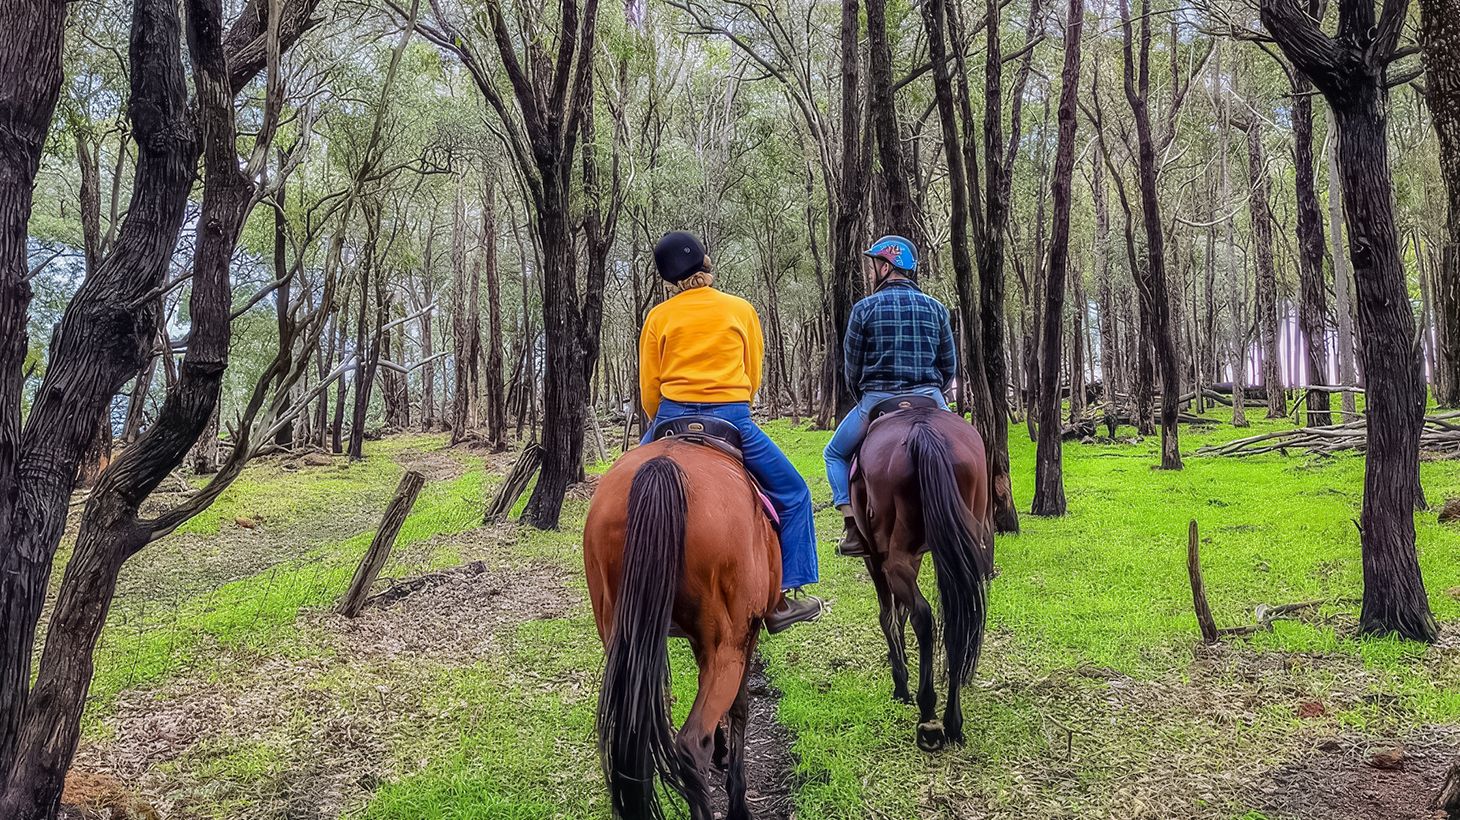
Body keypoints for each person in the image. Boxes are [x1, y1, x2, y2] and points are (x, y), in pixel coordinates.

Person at [639, 231, 824, 634]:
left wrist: (660, 421)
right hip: (731, 419)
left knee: (622, 492)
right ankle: (782, 598)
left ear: (668, 280)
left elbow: (650, 388)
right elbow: (753, 372)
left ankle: (633, 596)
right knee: (794, 494)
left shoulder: (658, 317)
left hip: (669, 417)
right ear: (706, 264)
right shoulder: (740, 309)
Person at [824, 235, 956, 557]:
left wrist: (862, 398)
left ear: (885, 267)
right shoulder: (937, 309)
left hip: (878, 401)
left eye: (873, 266)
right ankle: (974, 523)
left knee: (834, 454)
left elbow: (851, 368)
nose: (871, 272)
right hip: (930, 398)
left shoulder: (863, 309)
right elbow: (949, 364)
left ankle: (853, 528)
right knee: (964, 448)